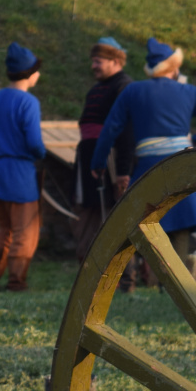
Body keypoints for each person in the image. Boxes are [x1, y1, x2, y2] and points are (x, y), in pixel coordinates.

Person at [91, 38, 196, 266]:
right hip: (183, 166)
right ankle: (180, 280)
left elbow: (110, 130)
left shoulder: (132, 91)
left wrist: (98, 162)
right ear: (174, 68)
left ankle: (151, 276)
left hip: (148, 168)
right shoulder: (188, 91)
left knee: (144, 224)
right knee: (181, 228)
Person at [0, 43, 46, 292]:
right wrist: (41, 155)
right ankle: (16, 281)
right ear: (29, 72)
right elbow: (34, 143)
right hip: (19, 173)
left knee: (3, 228)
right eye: (37, 70)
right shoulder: (29, 102)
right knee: (25, 231)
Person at [73, 37, 135, 272]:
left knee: (113, 216)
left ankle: (122, 272)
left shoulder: (124, 86)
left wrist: (122, 170)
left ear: (115, 60)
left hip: (111, 158)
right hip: (90, 159)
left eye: (98, 61)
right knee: (88, 212)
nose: (94, 66)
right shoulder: (96, 89)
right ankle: (89, 268)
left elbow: (126, 131)